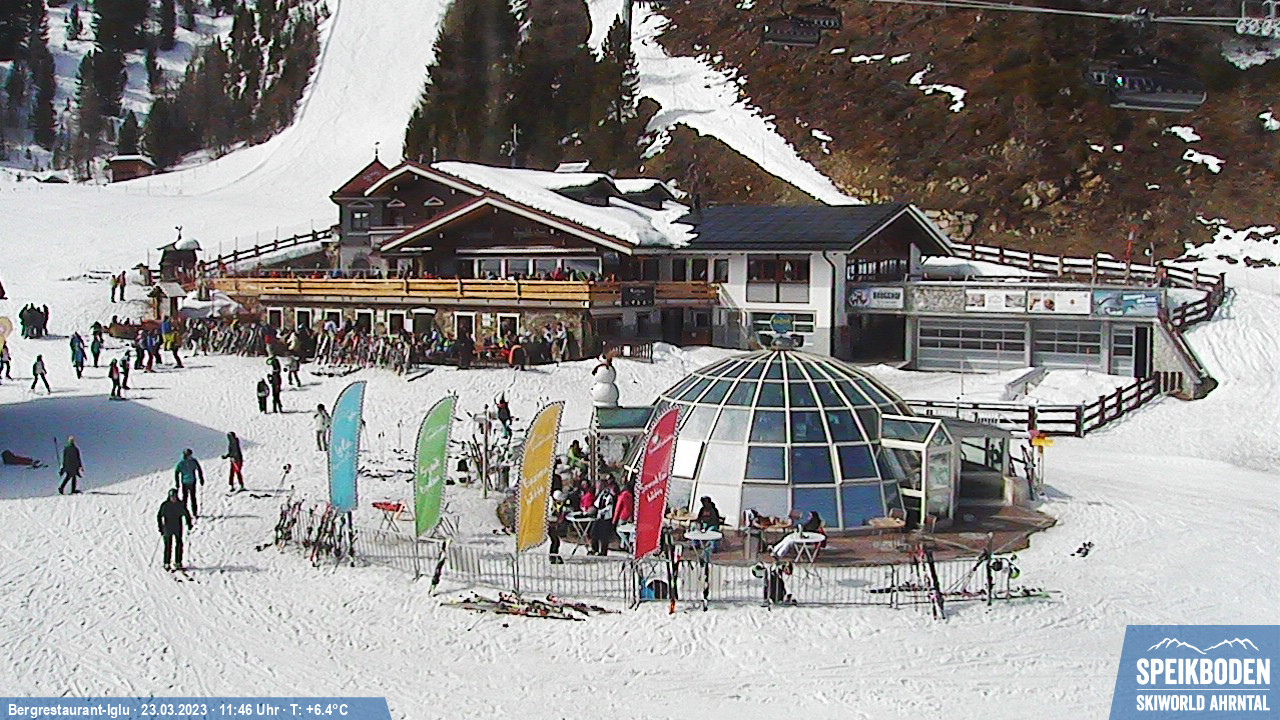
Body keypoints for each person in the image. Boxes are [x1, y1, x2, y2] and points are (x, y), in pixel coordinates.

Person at [157, 488, 193, 572]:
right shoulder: (165, 505)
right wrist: (160, 527)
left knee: (179, 544)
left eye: (174, 496)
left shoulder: (180, 504)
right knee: (168, 545)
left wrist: (189, 523)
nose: (173, 498)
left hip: (177, 527)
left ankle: (178, 562)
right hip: (168, 527)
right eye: (172, 497)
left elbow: (186, 514)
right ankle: (167, 562)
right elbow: (159, 516)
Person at [173, 448, 204, 518]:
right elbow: (176, 472)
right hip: (185, 483)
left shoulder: (193, 461)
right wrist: (177, 483)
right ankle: (184, 512)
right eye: (189, 455)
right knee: (185, 498)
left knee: (193, 497)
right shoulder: (181, 463)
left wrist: (201, 478)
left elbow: (199, 469)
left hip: (192, 482)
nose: (190, 456)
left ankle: (195, 513)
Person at [589, 482, 617, 556]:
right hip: (598, 518)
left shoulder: (609, 496)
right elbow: (596, 504)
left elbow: (609, 507)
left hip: (606, 518)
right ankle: (594, 549)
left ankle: (603, 552)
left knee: (604, 536)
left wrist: (601, 511)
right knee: (593, 533)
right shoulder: (601, 494)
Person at [547, 489, 569, 565]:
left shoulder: (554, 503)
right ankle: (553, 557)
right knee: (555, 541)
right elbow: (553, 516)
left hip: (552, 524)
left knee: (555, 541)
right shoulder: (553, 505)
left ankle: (554, 556)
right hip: (550, 525)